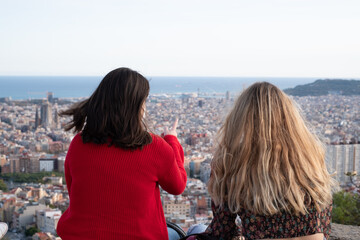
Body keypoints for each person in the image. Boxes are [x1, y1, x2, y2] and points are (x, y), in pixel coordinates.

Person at [56, 67, 187, 240]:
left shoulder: (79, 143)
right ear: (136, 106)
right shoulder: (155, 146)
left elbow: (74, 190)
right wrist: (172, 141)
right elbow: (177, 186)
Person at [204, 82, 335, 240]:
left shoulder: (232, 163)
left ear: (240, 120)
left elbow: (221, 232)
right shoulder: (312, 161)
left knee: (196, 228)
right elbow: (325, 228)